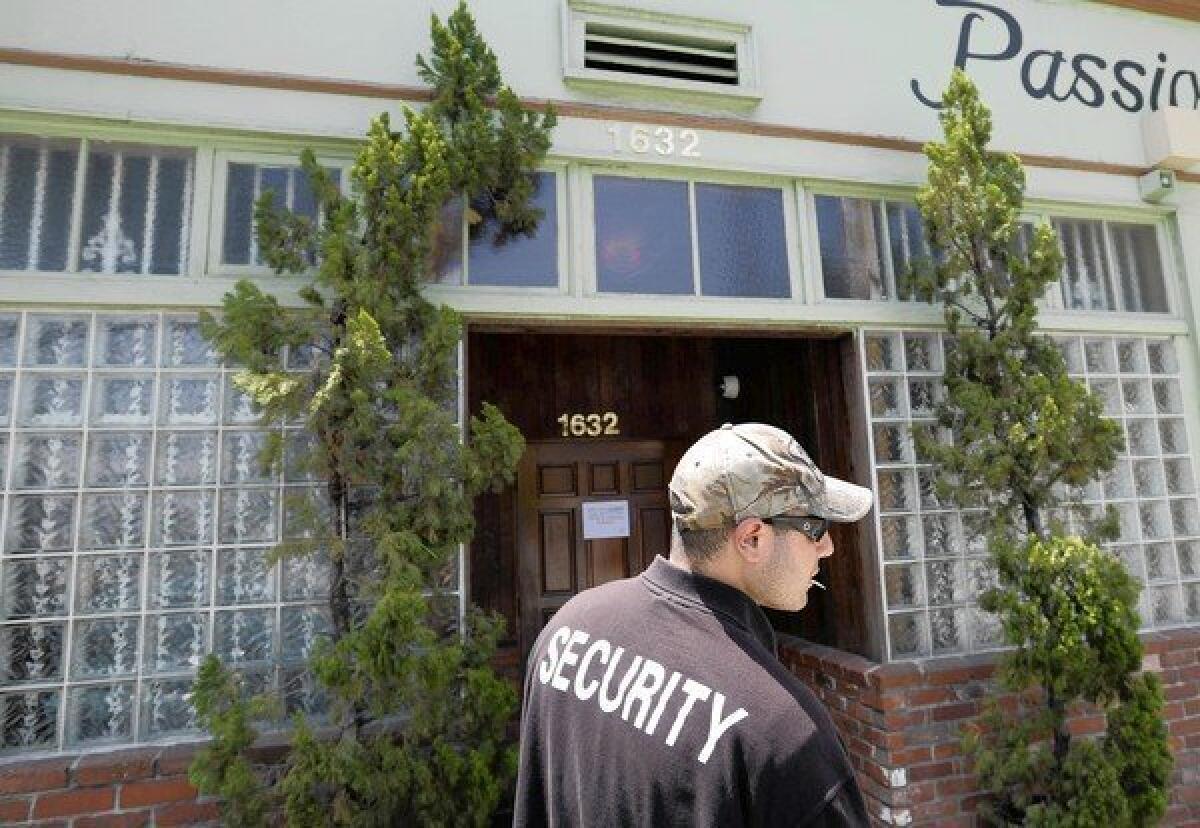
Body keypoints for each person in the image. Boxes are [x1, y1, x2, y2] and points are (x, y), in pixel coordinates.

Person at [513, 422, 874, 827]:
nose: (827, 546)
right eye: (816, 527)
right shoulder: (785, 735)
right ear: (752, 538)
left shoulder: (567, 630)